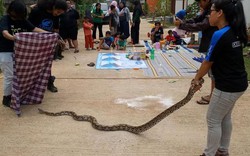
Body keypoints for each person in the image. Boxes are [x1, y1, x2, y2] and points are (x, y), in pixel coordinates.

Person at [191, 0, 248, 155]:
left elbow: (207, 62)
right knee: (224, 117)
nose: (210, 14)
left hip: (227, 86)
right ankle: (222, 151)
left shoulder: (219, 34)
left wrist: (196, 79)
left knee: (213, 119)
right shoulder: (234, 31)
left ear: (220, 13)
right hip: (239, 83)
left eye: (212, 11)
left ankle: (209, 153)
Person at [0, 0, 46, 107]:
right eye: (17, 14)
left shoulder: (22, 20)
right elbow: (5, 33)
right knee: (10, 76)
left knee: (21, 75)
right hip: (5, 51)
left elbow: (35, 29)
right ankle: (6, 97)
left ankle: (17, 94)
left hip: (20, 51)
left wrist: (50, 34)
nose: (18, 16)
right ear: (11, 11)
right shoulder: (5, 19)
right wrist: (14, 38)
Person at [174, 0, 217, 105]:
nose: (199, 4)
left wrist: (182, 25)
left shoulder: (214, 9)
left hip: (215, 42)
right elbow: (197, 19)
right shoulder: (207, 10)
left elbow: (201, 25)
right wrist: (183, 22)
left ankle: (214, 97)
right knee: (212, 72)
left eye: (200, 2)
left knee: (214, 70)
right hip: (211, 41)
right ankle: (213, 95)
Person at [28, 0, 67, 93]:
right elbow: (29, 26)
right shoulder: (37, 11)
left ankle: (49, 83)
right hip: (34, 42)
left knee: (47, 64)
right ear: (53, 6)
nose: (58, 14)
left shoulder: (56, 16)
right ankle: (31, 86)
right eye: (58, 11)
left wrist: (58, 39)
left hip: (47, 43)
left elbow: (56, 29)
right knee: (34, 65)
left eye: (60, 13)